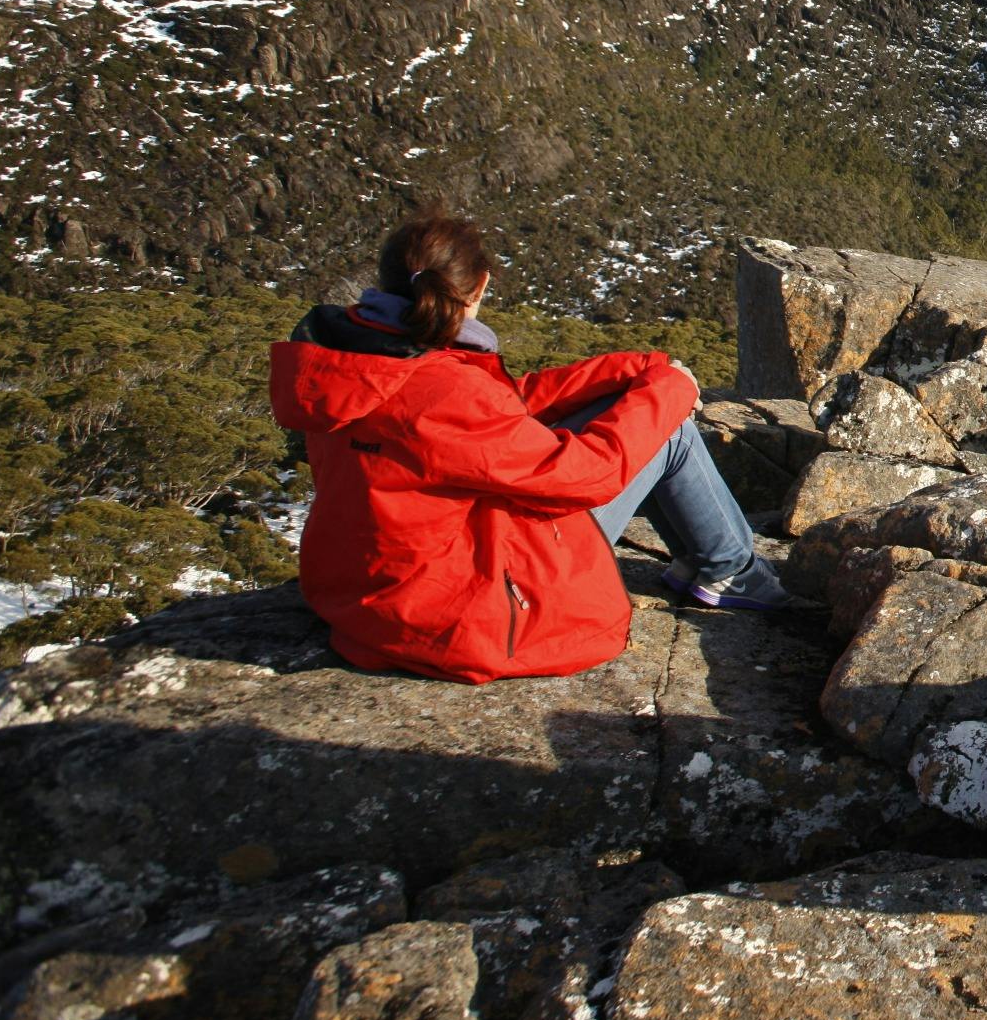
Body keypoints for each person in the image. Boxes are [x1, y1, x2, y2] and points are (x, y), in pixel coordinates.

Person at [270, 209, 786, 684]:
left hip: (365, 597)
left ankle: (709, 566)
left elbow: (504, 406)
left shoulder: (351, 361)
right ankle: (732, 572)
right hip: (455, 614)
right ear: (480, 287)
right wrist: (673, 392)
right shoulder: (444, 389)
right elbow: (584, 475)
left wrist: (633, 371)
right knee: (667, 429)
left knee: (647, 409)